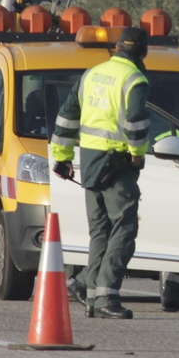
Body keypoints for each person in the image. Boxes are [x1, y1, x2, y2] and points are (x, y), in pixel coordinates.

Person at [50, 27, 151, 319]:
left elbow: (67, 116)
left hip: (91, 161)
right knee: (124, 227)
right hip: (117, 164)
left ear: (117, 48)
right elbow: (135, 121)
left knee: (100, 231)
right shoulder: (135, 79)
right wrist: (137, 152)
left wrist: (62, 157)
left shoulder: (91, 74)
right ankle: (107, 294)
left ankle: (90, 293)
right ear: (142, 52)